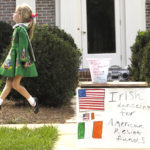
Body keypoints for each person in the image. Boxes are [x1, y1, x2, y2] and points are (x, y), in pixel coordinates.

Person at [0, 4, 39, 114]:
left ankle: (33, 101)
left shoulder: (21, 30)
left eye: (15, 12)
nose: (13, 14)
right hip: (13, 60)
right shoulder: (18, 28)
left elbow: (23, 47)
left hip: (19, 61)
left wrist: (23, 60)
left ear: (20, 15)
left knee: (15, 84)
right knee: (9, 83)